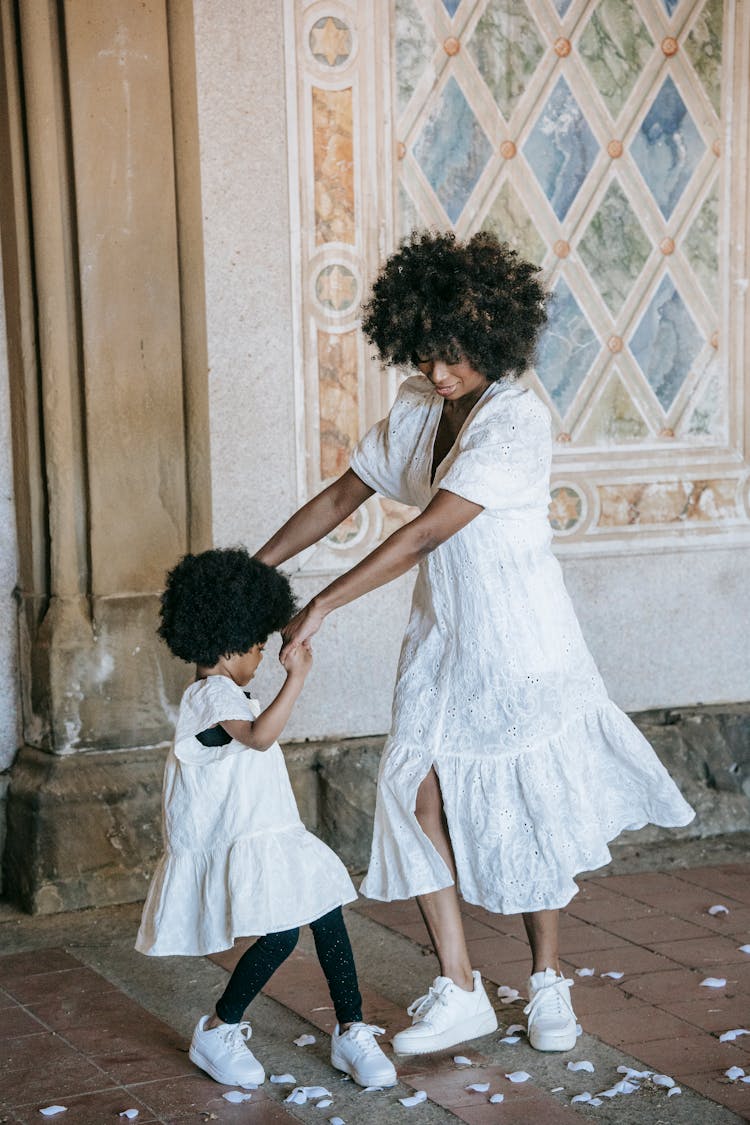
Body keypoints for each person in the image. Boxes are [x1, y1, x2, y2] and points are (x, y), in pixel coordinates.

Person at [255, 230, 695, 1057]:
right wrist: (253, 569)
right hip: (443, 636)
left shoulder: (517, 422)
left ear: (494, 336)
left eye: (453, 356)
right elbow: (343, 495)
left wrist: (321, 605)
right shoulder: (422, 408)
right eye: (425, 352)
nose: (438, 370)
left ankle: (548, 980)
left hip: (520, 641)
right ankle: (459, 987)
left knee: (527, 805)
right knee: (409, 785)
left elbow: (424, 534)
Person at [136, 547, 397, 1090]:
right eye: (258, 645)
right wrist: (297, 678)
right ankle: (217, 1027)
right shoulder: (211, 696)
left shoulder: (225, 691)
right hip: (246, 837)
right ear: (230, 644)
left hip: (272, 833)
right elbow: (258, 739)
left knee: (327, 914)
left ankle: (351, 1029)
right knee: (280, 936)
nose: (261, 655)